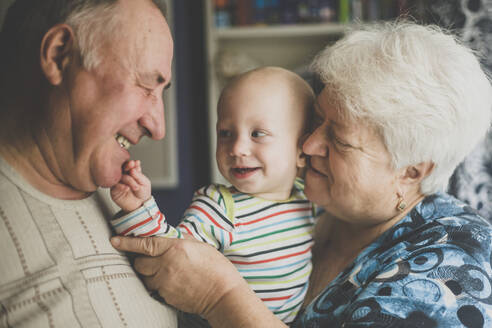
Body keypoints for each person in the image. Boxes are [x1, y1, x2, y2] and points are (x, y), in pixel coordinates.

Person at [112, 21, 492, 327]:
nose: (308, 145)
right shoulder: (310, 203)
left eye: (339, 139)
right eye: (316, 121)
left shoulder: (452, 270)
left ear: (409, 171)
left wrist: (220, 298)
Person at [0, 0, 177, 326]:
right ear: (59, 56)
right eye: (146, 84)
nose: (158, 127)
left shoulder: (129, 208)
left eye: (162, 90)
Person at [109, 66, 320, 324]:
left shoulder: (306, 199)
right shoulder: (220, 206)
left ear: (301, 150)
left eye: (258, 134)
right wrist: (139, 207)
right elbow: (170, 254)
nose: (237, 148)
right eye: (226, 133)